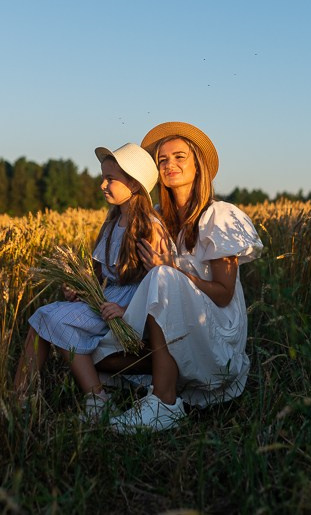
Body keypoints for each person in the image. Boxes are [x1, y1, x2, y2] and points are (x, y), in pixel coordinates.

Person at [94, 121, 264, 432]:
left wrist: (173, 269)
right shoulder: (154, 217)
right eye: (162, 160)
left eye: (179, 157)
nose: (170, 165)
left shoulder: (219, 216)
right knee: (97, 351)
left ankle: (164, 403)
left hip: (214, 332)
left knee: (163, 275)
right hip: (169, 326)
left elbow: (224, 293)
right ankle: (157, 380)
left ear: (198, 164)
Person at [13, 142, 167, 421]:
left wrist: (126, 312)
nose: (102, 185)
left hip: (129, 309)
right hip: (106, 302)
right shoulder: (111, 223)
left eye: (110, 179)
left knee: (45, 317)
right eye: (103, 177)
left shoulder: (150, 228)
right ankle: (88, 397)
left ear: (134, 185)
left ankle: (36, 399)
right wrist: (81, 290)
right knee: (48, 319)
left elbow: (156, 282)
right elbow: (100, 277)